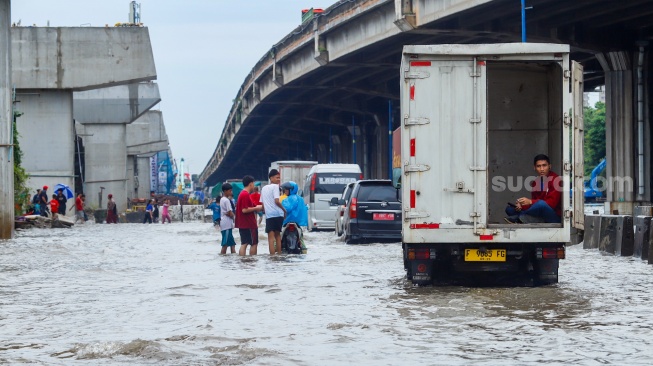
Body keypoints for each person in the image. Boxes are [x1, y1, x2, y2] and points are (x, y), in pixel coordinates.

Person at [505, 154, 562, 224]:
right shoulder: (535, 182)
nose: (542, 169)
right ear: (534, 168)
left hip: (553, 216)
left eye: (544, 165)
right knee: (510, 209)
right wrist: (522, 205)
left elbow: (551, 204)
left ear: (550, 166)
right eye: (538, 166)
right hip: (540, 215)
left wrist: (530, 202)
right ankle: (522, 218)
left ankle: (519, 218)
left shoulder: (556, 180)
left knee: (541, 204)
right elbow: (535, 205)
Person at [261, 169, 286, 255]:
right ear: (271, 178)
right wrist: (284, 210)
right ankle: (278, 254)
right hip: (278, 214)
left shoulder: (263, 188)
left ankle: (272, 256)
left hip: (269, 216)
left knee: (270, 238)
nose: (278, 180)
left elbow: (263, 205)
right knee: (278, 236)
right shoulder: (275, 187)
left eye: (279, 178)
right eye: (277, 178)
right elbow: (276, 201)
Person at [235, 175, 263, 256]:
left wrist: (258, 207)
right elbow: (244, 210)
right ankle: (252, 261)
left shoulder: (242, 194)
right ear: (250, 184)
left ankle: (243, 261)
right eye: (253, 184)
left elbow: (251, 206)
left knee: (244, 243)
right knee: (254, 243)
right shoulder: (245, 194)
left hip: (243, 224)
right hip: (249, 224)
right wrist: (255, 208)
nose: (254, 186)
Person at [219, 183, 237, 254]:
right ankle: (223, 258)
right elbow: (229, 212)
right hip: (226, 224)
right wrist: (234, 216)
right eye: (230, 191)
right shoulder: (226, 200)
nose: (231, 192)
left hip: (226, 223)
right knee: (225, 244)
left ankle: (231, 259)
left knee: (232, 244)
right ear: (225, 191)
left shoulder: (222, 199)